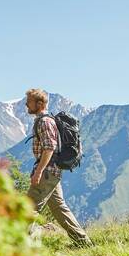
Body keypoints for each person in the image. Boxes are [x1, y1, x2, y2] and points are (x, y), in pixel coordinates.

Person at [24, 88, 90, 246]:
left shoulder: (45, 122)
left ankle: (27, 249)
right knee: (60, 208)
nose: (26, 104)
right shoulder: (46, 120)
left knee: (28, 209)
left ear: (39, 104)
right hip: (52, 172)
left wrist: (38, 172)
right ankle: (84, 242)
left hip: (46, 172)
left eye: (29, 102)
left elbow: (49, 148)